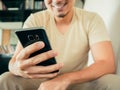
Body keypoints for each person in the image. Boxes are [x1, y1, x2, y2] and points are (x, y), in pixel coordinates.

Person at [0, 0, 120, 90]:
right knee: (5, 79)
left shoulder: (91, 19)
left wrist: (65, 79)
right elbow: (13, 63)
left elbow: (106, 63)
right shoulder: (34, 20)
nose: (57, 1)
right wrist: (16, 68)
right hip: (41, 82)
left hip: (78, 81)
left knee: (114, 82)